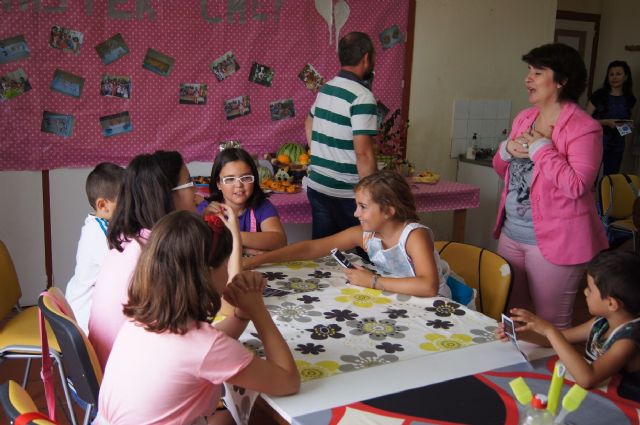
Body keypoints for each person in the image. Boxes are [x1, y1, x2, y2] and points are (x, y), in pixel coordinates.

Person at [95, 211, 300, 425]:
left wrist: (241, 314)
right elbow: (288, 381)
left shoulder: (142, 319)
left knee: (230, 417)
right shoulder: (204, 347)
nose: (229, 274)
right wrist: (258, 310)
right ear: (207, 274)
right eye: (226, 265)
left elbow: (200, 351)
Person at [492, 43, 608, 329]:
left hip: (556, 241)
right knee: (513, 316)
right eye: (528, 71)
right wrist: (505, 150)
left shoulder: (584, 127)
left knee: (550, 323)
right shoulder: (525, 117)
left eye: (537, 72)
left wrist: (542, 149)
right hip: (512, 233)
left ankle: (559, 375)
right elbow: (503, 170)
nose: (527, 79)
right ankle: (516, 374)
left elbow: (578, 185)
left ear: (562, 80)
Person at [245, 171, 452, 298]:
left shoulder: (414, 236)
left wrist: (373, 281)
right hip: (401, 301)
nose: (355, 213)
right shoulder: (366, 235)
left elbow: (428, 286)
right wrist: (258, 261)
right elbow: (311, 248)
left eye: (363, 207)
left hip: (436, 305)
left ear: (389, 211)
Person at [88, 151, 197, 368]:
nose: (196, 192)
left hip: (106, 370)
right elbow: (195, 331)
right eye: (189, 182)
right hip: (129, 375)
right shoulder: (157, 254)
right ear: (167, 195)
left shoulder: (129, 238)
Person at [499, 251, 640, 396]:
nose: (585, 292)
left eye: (590, 290)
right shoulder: (602, 321)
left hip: (626, 403)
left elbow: (587, 378)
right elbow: (556, 340)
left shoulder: (627, 340)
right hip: (598, 392)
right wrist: (522, 334)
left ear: (611, 303)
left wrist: (550, 330)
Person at [303, 31, 378, 240]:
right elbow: (363, 153)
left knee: (324, 253)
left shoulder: (327, 88)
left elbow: (308, 121)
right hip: (347, 193)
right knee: (365, 252)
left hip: (318, 186)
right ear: (366, 58)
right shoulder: (362, 97)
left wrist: (322, 154)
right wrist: (371, 198)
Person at [65, 162, 125, 334]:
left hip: (94, 308)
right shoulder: (98, 233)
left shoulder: (105, 225)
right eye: (125, 202)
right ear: (102, 205)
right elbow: (124, 268)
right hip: (86, 319)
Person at [197, 147, 287, 255]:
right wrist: (245, 249)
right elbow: (201, 246)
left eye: (246, 178)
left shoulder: (262, 206)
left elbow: (279, 240)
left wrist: (234, 236)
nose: (239, 185)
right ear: (218, 184)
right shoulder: (207, 209)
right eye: (230, 179)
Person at [586, 60, 636, 175]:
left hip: (617, 144)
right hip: (596, 141)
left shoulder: (630, 98)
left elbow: (626, 125)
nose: (614, 77)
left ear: (626, 77)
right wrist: (605, 122)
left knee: (611, 178)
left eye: (618, 74)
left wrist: (628, 126)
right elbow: (585, 121)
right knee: (590, 176)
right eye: (611, 74)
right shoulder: (599, 95)